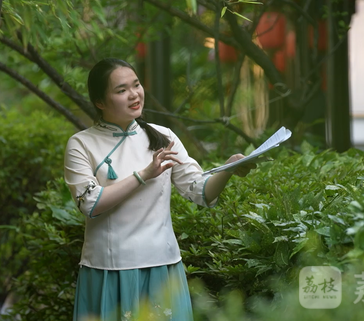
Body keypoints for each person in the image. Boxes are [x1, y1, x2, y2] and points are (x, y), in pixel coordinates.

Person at [64, 58, 255, 321]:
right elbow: (90, 204)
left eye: (136, 85)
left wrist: (228, 169)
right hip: (109, 268)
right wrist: (144, 175)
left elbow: (200, 191)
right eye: (121, 90)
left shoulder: (164, 137)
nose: (134, 94)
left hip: (162, 266)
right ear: (100, 102)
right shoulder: (81, 144)